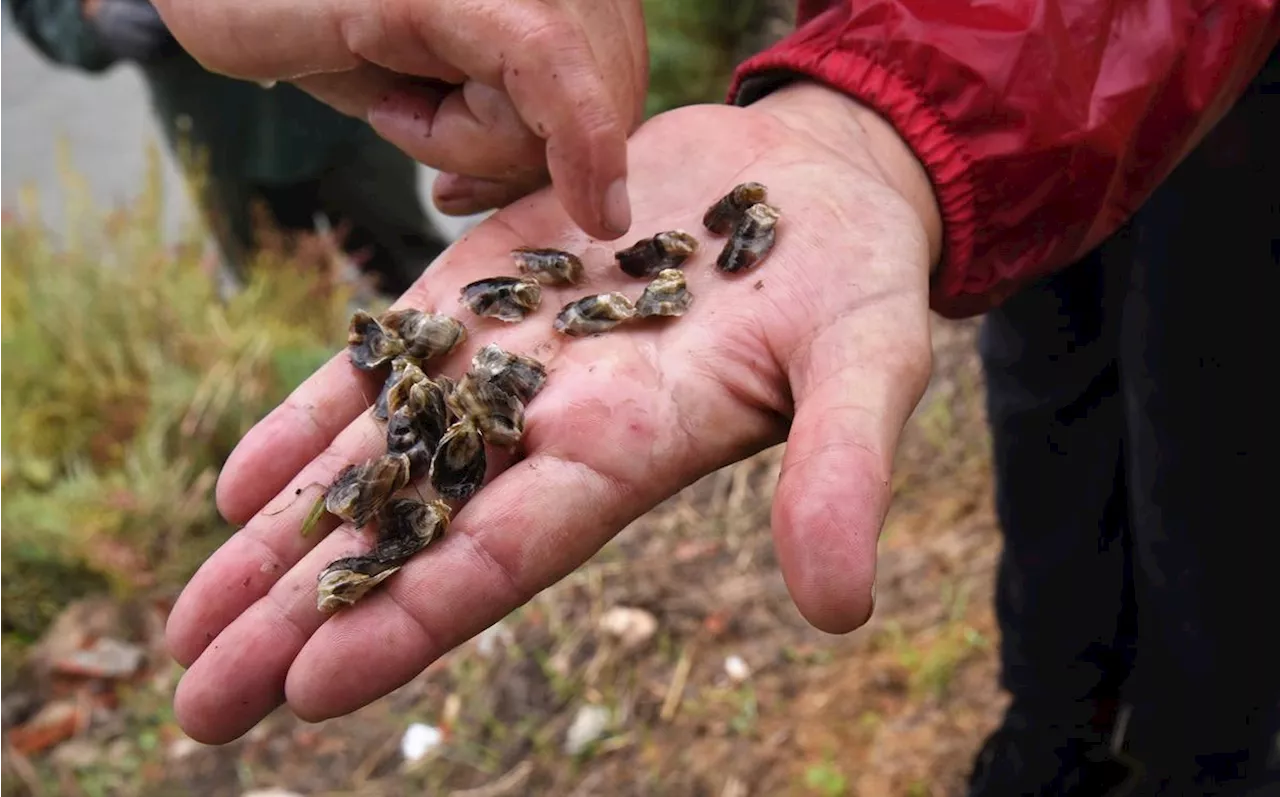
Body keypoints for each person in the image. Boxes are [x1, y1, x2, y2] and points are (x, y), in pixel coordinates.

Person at [137, 0, 1278, 793]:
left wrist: (893, 115)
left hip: (1224, 92)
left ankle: (1205, 755)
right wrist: (870, 109)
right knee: (1047, 404)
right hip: (936, 83)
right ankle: (1054, 714)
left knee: (1207, 427)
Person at [5, 0, 452, 296]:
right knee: (277, 297)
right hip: (217, 132)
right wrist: (90, 18)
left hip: (352, 114)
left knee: (416, 268)